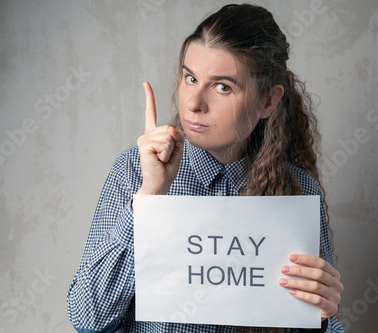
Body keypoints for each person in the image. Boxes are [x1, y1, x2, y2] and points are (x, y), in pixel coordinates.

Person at [67, 4, 344, 333]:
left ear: (268, 101)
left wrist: (322, 316)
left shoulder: (298, 190)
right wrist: (149, 198)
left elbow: (312, 319)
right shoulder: (134, 171)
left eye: (222, 86)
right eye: (190, 78)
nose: (193, 103)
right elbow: (87, 321)